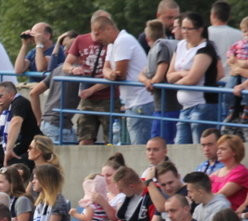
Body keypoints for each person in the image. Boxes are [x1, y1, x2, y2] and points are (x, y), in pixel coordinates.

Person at [95, 15, 155, 145]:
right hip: (131, 103)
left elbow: (120, 74)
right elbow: (105, 69)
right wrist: (111, 74)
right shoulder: (112, 45)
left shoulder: (123, 41)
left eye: (98, 34)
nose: (96, 38)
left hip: (140, 102)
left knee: (139, 147)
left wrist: (112, 74)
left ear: (108, 29)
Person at [167, 11, 221, 144]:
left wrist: (177, 81)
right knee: (180, 145)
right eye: (183, 28)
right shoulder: (180, 45)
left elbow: (192, 79)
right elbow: (169, 76)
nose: (185, 32)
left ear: (200, 29)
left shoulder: (206, 48)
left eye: (189, 29)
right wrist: (182, 73)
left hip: (202, 106)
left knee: (201, 145)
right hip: (185, 107)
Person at [64, 13, 112, 145]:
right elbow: (66, 65)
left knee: (111, 139)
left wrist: (92, 89)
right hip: (87, 98)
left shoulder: (113, 42)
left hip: (109, 97)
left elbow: (115, 75)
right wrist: (73, 69)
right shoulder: (81, 40)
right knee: (84, 138)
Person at [0, 82, 41, 173]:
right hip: (14, 150)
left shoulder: (20, 102)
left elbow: (16, 122)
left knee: (8, 170)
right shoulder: (4, 110)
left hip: (28, 150)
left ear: (10, 95)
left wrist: (9, 149)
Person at [209, 134, 248, 211]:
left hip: (232, 214)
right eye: (218, 149)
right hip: (214, 211)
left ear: (234, 152)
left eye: (223, 149)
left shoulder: (241, 172)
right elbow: (202, 184)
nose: (218, 152)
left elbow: (220, 195)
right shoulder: (218, 172)